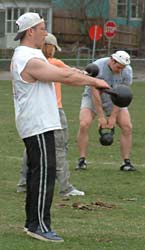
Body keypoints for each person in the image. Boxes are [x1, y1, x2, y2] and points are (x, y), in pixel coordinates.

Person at [11, 12, 109, 242]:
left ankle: (32, 223)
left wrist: (82, 73)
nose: (46, 32)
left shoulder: (33, 55)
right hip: (37, 124)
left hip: (39, 123)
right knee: (44, 175)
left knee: (40, 174)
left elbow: (63, 72)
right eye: (43, 28)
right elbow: (63, 76)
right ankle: (40, 226)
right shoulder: (28, 58)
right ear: (30, 31)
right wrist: (94, 81)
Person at [17, 33, 85, 197]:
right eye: (54, 47)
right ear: (50, 47)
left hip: (35, 112)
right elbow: (72, 75)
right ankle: (65, 187)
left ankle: (23, 183)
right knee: (60, 147)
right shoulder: (54, 63)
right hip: (54, 111)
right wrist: (89, 75)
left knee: (32, 148)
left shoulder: (29, 63)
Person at [76, 50, 136, 172]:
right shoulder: (97, 67)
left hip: (115, 98)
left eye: (123, 68)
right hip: (93, 97)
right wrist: (101, 116)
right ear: (112, 60)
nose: (120, 70)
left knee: (127, 126)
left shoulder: (127, 71)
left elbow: (122, 97)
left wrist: (113, 117)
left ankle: (126, 162)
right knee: (84, 124)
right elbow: (95, 92)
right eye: (119, 67)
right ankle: (82, 160)